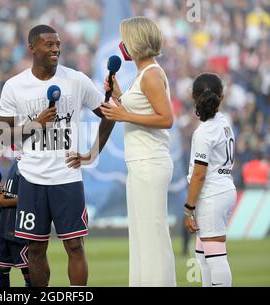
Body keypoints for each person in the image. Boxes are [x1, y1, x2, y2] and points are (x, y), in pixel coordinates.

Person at [0, 25, 115, 287]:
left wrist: (92, 153)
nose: (55, 49)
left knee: (75, 246)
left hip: (67, 178)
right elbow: (4, 136)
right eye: (49, 44)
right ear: (32, 48)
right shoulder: (14, 86)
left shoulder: (76, 80)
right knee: (36, 249)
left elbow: (109, 112)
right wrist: (36, 124)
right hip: (31, 178)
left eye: (57, 44)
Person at [101, 16, 176, 287]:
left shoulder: (152, 73)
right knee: (142, 237)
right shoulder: (144, 74)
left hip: (150, 162)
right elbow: (141, 111)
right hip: (140, 162)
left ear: (135, 41)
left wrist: (123, 114)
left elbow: (166, 118)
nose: (122, 45)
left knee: (153, 237)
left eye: (125, 39)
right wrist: (120, 97)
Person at [184, 73, 236, 287]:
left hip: (211, 194)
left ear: (194, 97)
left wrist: (188, 208)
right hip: (224, 188)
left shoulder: (204, 132)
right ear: (221, 98)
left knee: (216, 259)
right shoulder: (224, 122)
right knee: (203, 255)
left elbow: (199, 174)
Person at [0, 158, 31, 287]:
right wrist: (1, 193)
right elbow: (13, 193)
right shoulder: (16, 161)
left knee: (31, 275)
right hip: (5, 227)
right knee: (0, 271)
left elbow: (31, 197)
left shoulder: (32, 161)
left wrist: (3, 201)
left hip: (21, 227)